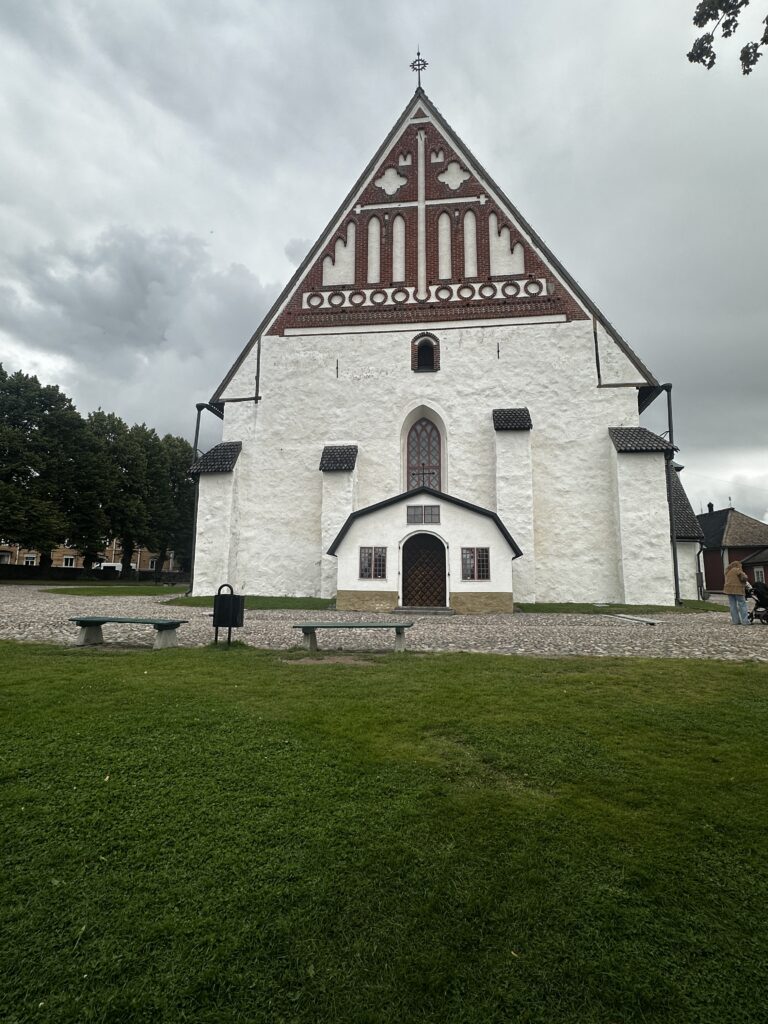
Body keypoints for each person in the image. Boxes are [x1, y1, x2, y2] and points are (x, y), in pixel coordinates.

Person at [723, 560, 750, 625]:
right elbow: (743, 578)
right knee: (742, 604)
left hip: (729, 590)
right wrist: (745, 576)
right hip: (737, 589)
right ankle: (745, 621)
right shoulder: (737, 570)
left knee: (732, 605)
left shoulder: (728, 571)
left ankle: (735, 621)